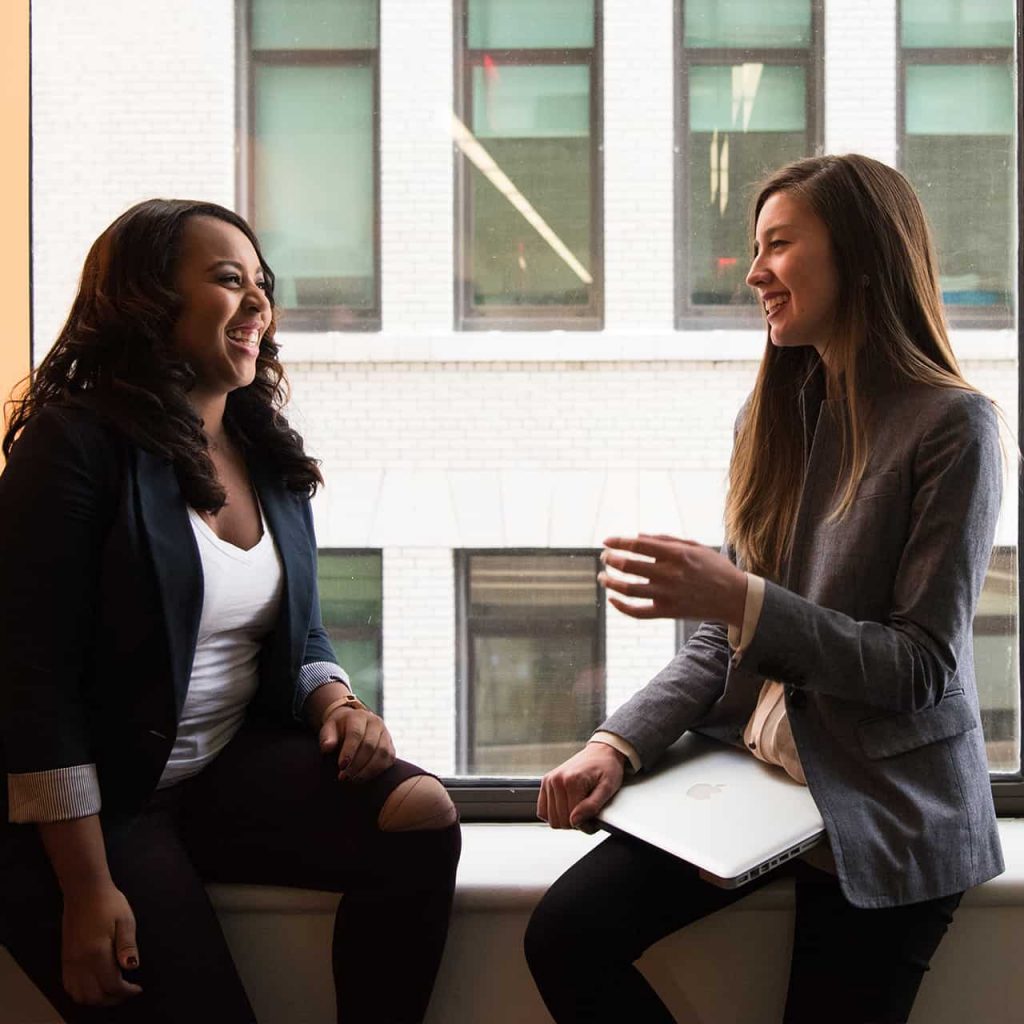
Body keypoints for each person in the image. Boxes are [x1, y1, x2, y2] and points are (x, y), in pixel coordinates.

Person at [525, 154, 1004, 1024]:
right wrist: (615, 745)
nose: (753, 273)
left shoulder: (953, 425)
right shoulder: (773, 416)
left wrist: (738, 600)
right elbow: (723, 641)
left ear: (860, 256)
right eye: (756, 248)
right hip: (764, 783)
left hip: (888, 806)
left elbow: (921, 667)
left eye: (779, 245)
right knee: (563, 934)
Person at [0, 199, 460, 1024]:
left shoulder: (263, 450)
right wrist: (86, 888)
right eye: (227, 280)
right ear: (146, 298)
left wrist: (338, 702)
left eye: (262, 285)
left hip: (214, 772)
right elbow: (30, 686)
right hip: (95, 813)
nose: (258, 305)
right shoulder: (72, 447)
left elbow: (299, 627)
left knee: (419, 815)